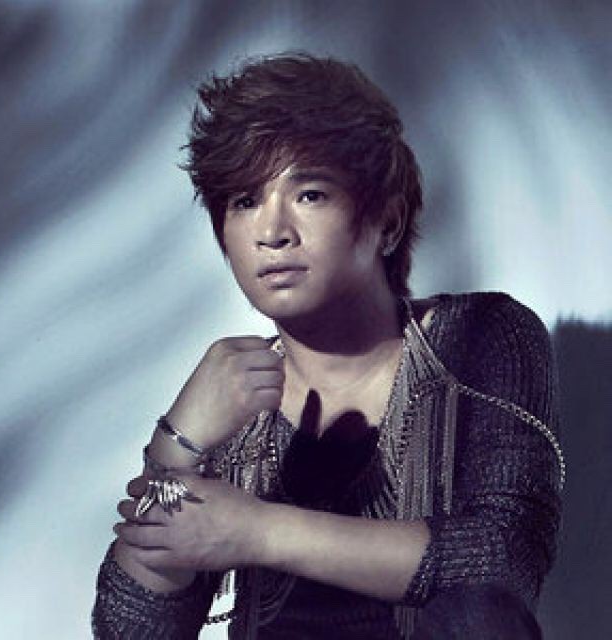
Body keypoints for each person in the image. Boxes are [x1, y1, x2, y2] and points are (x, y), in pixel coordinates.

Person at [92, 53, 564, 639]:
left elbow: (502, 561)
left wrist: (257, 531)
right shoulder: (234, 399)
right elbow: (134, 633)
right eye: (244, 201)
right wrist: (176, 445)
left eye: (310, 195)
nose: (272, 233)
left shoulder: (482, 337)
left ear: (387, 222)